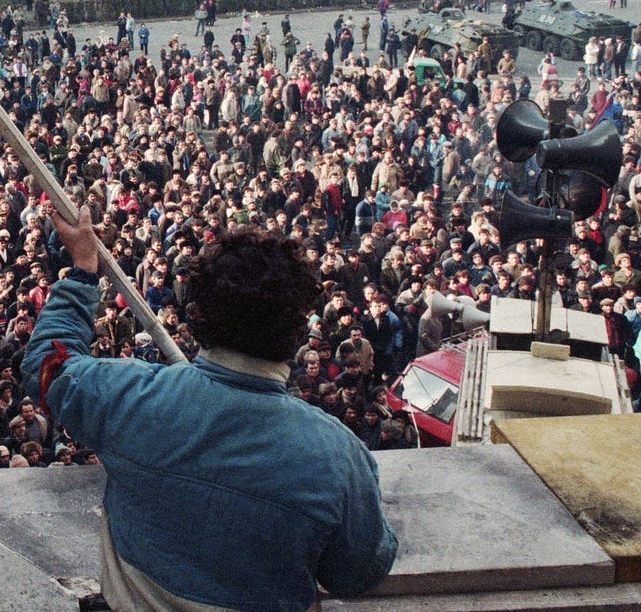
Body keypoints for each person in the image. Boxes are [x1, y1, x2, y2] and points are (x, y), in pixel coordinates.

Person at [23, 206, 396, 611]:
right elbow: (356, 573)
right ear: (297, 330)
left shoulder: (128, 398)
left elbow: (49, 363)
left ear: (197, 315)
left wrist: (83, 267)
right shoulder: (340, 457)